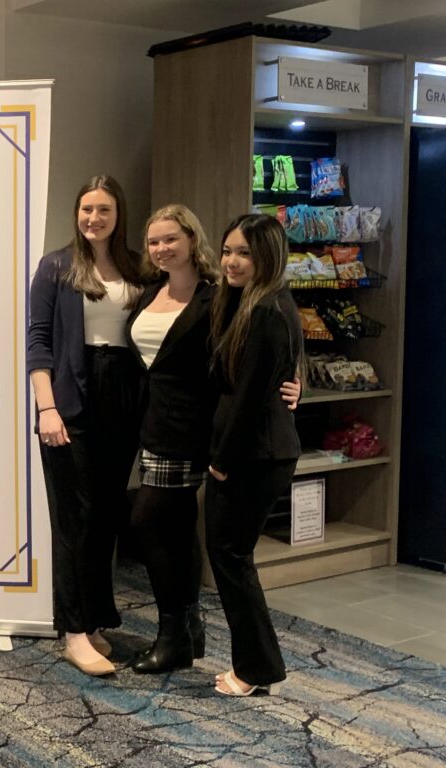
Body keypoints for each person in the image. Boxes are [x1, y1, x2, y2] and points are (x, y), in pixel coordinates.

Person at [125, 205, 300, 674]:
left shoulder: (219, 296)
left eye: (171, 239)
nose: (161, 248)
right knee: (173, 527)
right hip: (152, 425)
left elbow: (259, 360)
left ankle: (180, 631)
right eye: (154, 241)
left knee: (150, 521)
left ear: (191, 240)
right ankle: (186, 629)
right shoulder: (151, 292)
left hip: (194, 429)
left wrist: (291, 384)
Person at [27, 175, 147, 676]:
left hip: (123, 397)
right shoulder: (56, 266)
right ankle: (73, 631)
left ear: (119, 215)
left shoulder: (139, 267)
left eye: (104, 210)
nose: (94, 218)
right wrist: (46, 408)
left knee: (105, 517)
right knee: (73, 519)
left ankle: (95, 619)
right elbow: (37, 340)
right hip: (69, 400)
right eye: (86, 209)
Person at [206, 213, 302, 696]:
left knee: (230, 555)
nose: (232, 261)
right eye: (227, 251)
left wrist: (221, 461)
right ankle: (258, 663)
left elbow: (248, 399)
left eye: (244, 253)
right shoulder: (253, 302)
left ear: (267, 256)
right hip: (256, 452)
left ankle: (254, 669)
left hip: (254, 456)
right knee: (230, 555)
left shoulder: (266, 310)